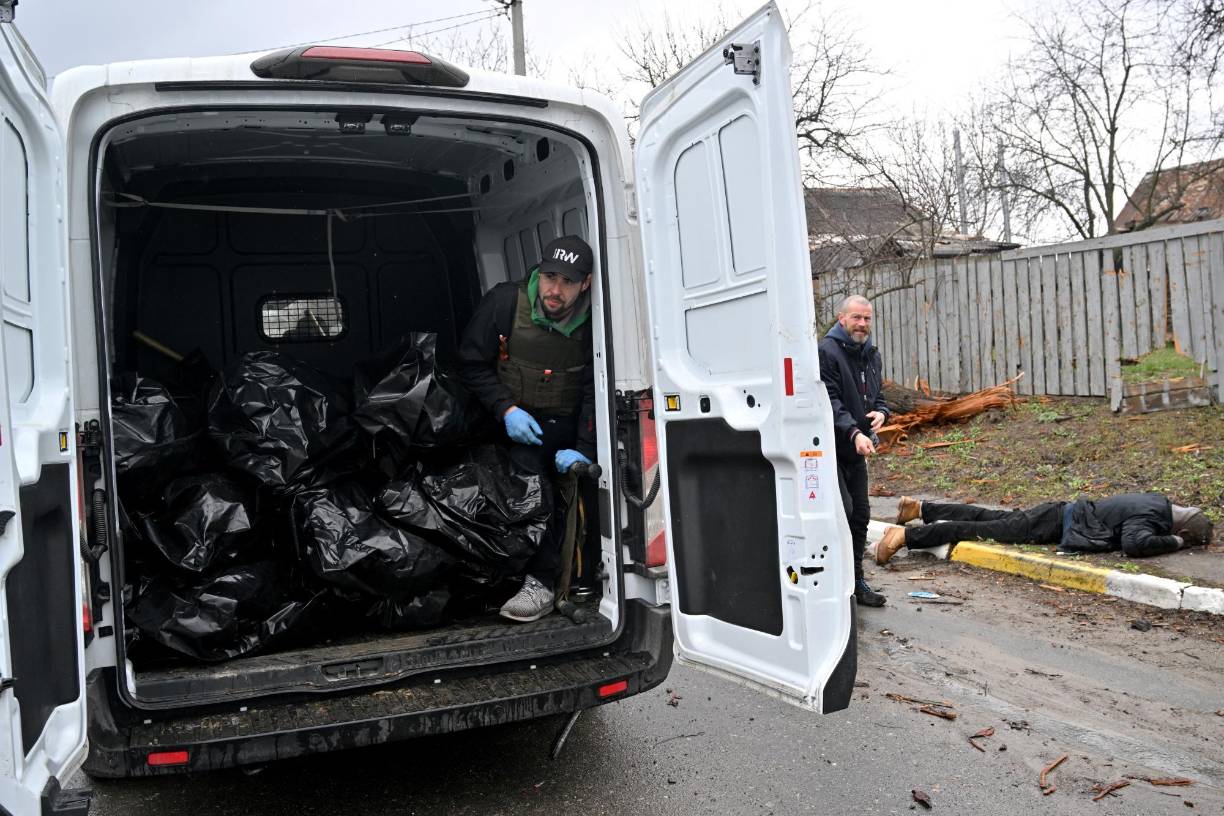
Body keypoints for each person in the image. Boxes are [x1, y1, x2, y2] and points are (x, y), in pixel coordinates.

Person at [459, 235, 597, 622]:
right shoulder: (505, 302)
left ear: (584, 283)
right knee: (527, 489)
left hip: (565, 425)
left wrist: (585, 449)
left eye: (568, 282)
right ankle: (516, 578)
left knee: (570, 493)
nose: (555, 290)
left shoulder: (597, 321)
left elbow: (594, 389)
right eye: (550, 277)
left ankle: (545, 583)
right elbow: (470, 363)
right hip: (514, 422)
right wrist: (506, 410)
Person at [875, 493, 1214, 564]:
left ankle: (921, 508)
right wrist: (1174, 543)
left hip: (1059, 514)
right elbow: (1135, 544)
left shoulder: (1156, 502)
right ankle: (906, 536)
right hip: (1057, 521)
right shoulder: (1155, 520)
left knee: (988, 518)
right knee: (976, 529)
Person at [819, 294, 891, 607]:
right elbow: (829, 402)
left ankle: (856, 581)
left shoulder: (870, 355)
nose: (862, 324)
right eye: (856, 318)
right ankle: (834, 582)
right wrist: (854, 432)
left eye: (867, 318)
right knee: (842, 514)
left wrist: (882, 413)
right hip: (828, 450)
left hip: (856, 451)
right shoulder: (826, 352)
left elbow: (879, 397)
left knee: (860, 515)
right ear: (841, 318)